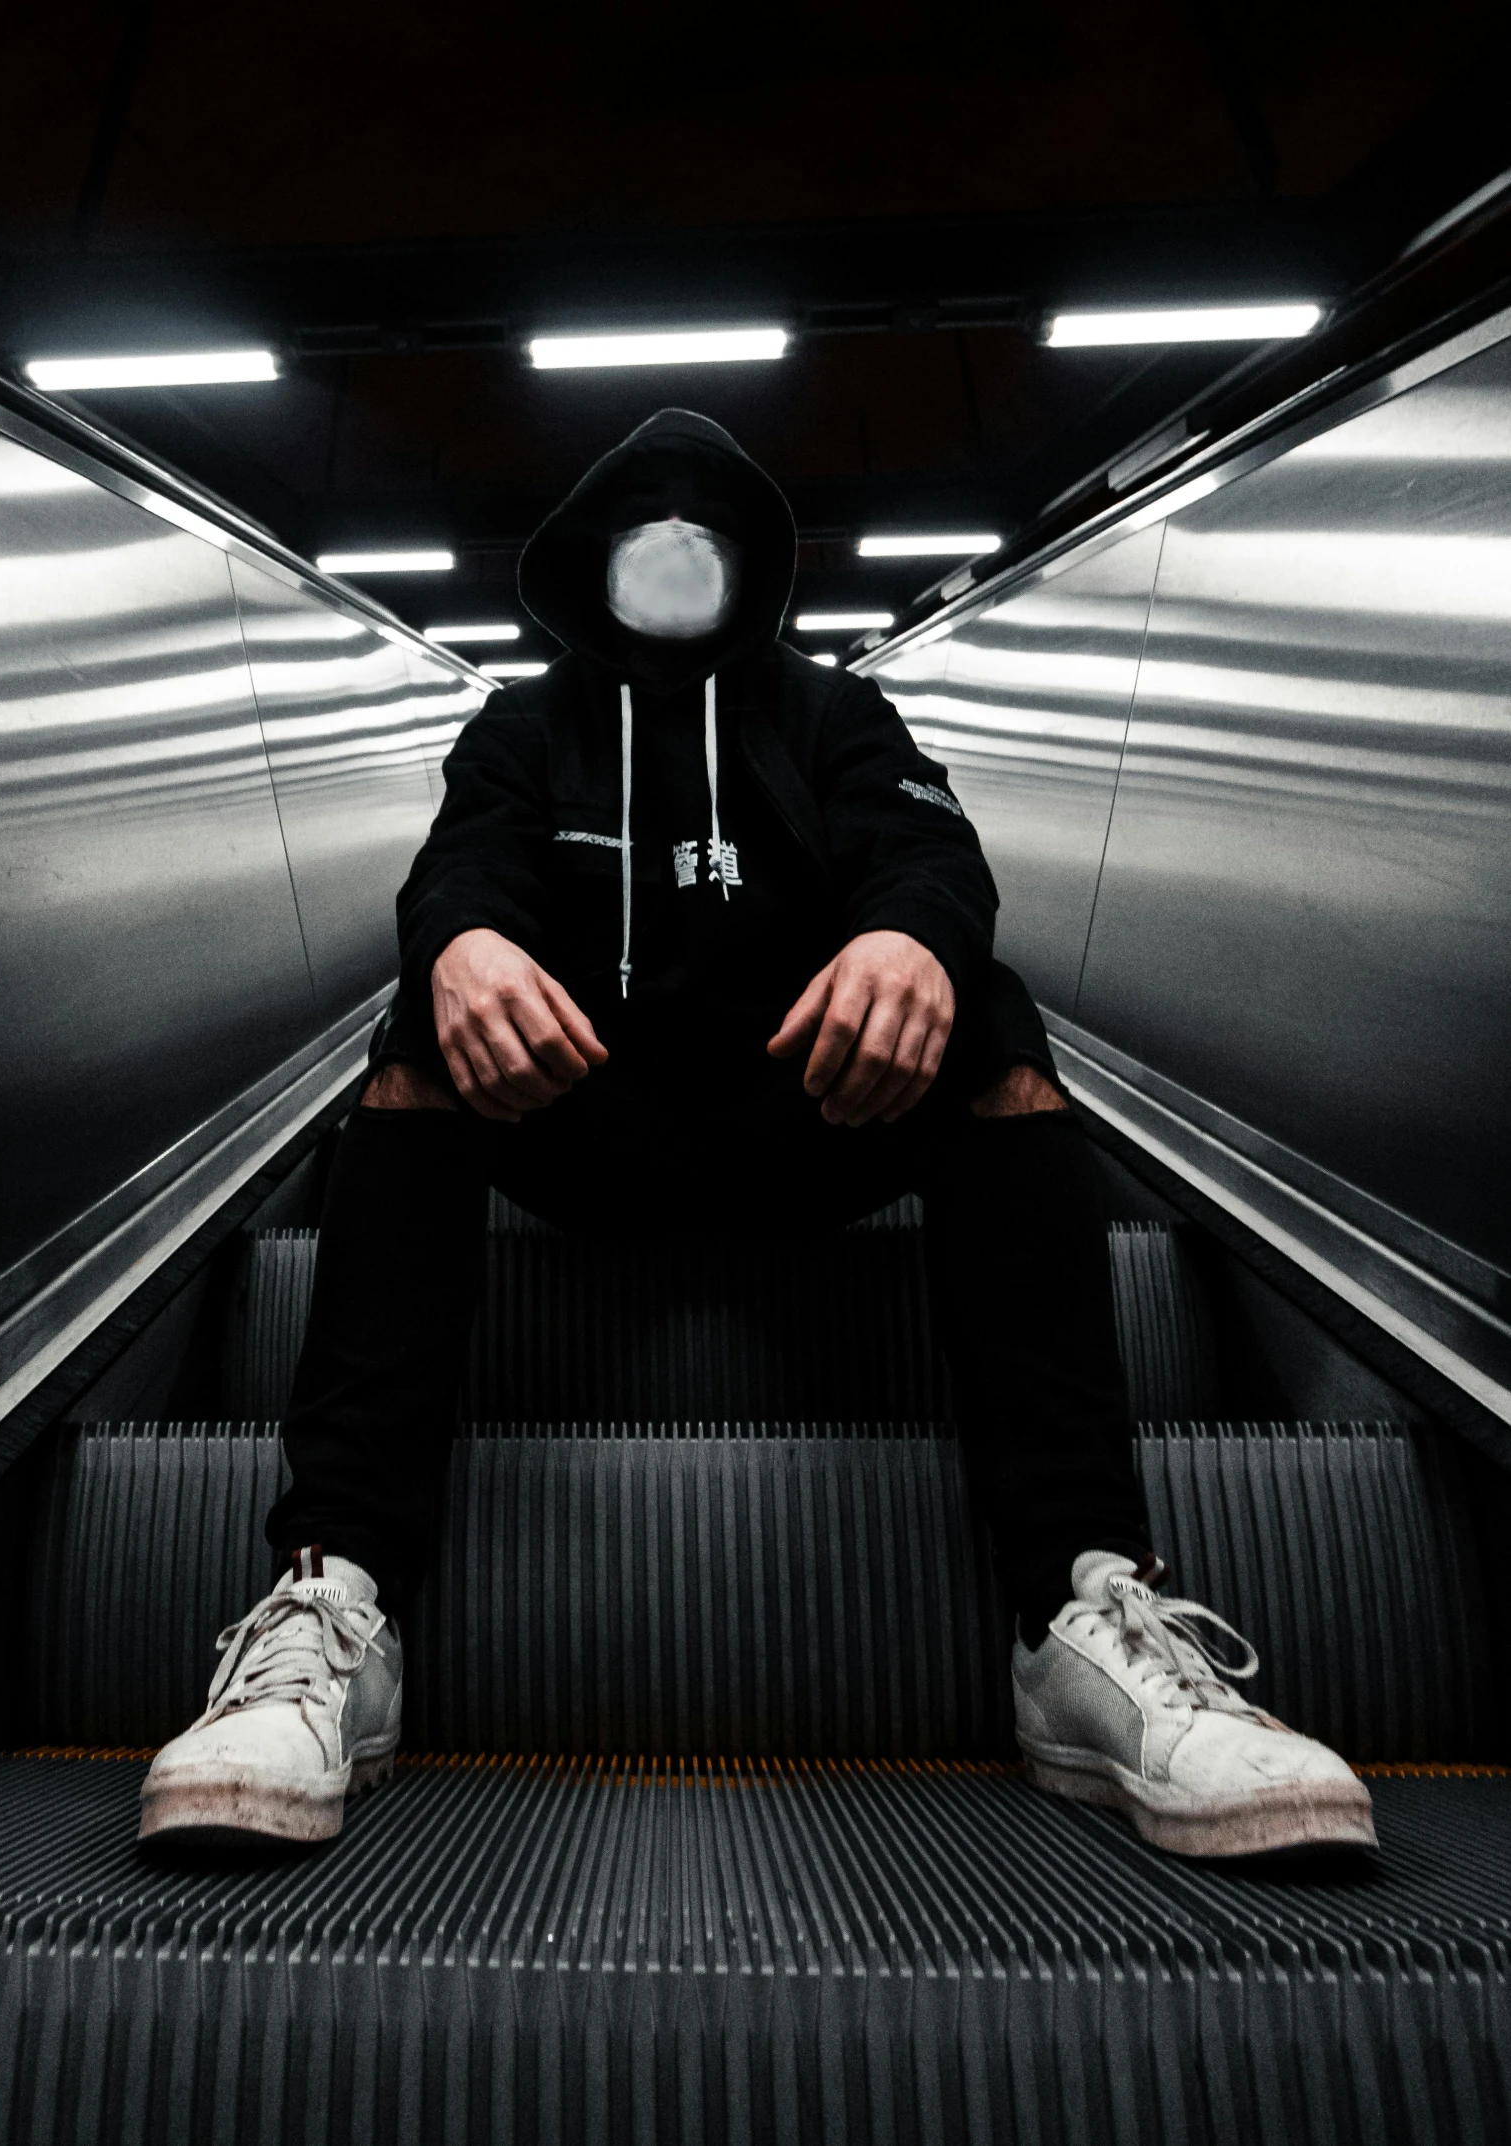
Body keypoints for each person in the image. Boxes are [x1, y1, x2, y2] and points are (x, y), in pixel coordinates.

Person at [138, 410, 1374, 1862]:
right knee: (416, 1030)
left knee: (991, 1018)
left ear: (756, 567)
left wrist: (913, 941)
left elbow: (930, 852)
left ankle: (1079, 1602)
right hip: (586, 1134)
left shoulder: (835, 712)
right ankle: (333, 1594)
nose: (669, 566)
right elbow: (460, 863)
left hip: (814, 1128)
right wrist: (464, 940)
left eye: (702, 539)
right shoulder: (525, 724)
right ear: (587, 567)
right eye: (637, 540)